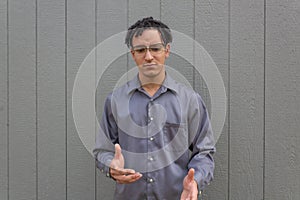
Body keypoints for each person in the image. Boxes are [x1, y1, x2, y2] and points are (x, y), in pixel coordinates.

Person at [93, 17, 215, 200]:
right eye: (141, 50)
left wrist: (196, 180)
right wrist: (111, 166)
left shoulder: (190, 101)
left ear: (167, 50)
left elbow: (204, 152)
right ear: (133, 54)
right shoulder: (115, 101)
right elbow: (102, 150)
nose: (148, 56)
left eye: (155, 48)